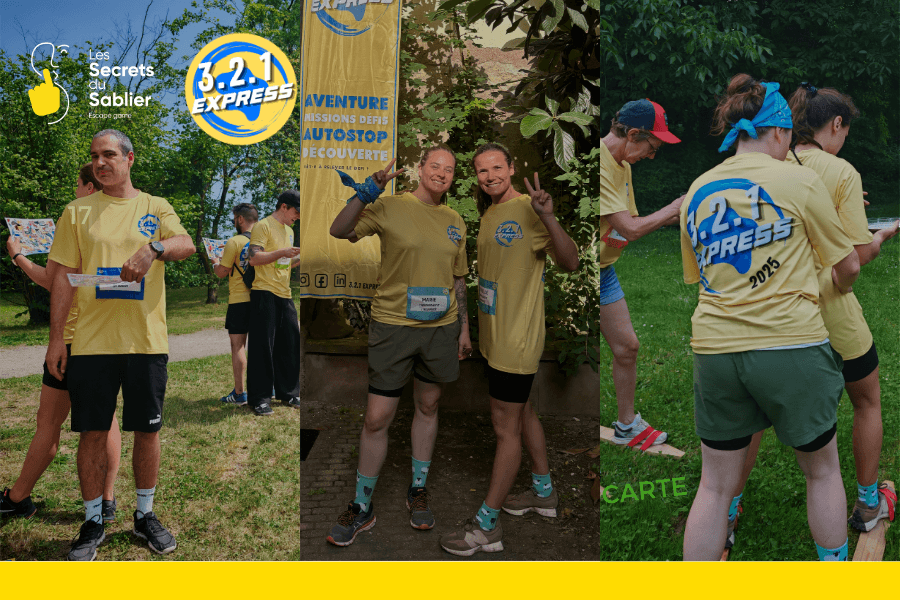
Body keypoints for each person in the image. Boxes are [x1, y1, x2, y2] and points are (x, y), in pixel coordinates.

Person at [680, 75, 860, 561]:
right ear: (780, 132)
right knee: (821, 471)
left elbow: (703, 277)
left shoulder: (698, 189)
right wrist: (839, 287)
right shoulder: (799, 180)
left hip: (715, 352)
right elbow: (848, 265)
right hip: (792, 347)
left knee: (714, 487)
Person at [720, 84, 899, 552]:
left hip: (770, 313)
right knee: (867, 401)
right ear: (835, 125)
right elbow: (854, 260)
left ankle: (730, 506)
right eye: (846, 130)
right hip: (832, 313)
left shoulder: (769, 166)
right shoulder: (839, 170)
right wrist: (882, 237)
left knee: (752, 419)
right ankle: (866, 504)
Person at [46, 129, 196, 561]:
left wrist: (154, 248)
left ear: (130, 158)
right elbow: (61, 278)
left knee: (147, 431)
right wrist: (57, 338)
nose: (100, 162)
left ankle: (145, 515)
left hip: (145, 341)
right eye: (94, 156)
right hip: (92, 344)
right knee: (92, 432)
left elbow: (185, 244)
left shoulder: (155, 207)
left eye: (109, 154)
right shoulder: (77, 212)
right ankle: (93, 520)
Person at [326, 147, 471, 546]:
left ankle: (418, 489)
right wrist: (367, 191)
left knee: (428, 406)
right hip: (393, 327)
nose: (442, 173)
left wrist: (464, 329)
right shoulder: (389, 207)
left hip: (441, 329)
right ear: (421, 169)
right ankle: (361, 505)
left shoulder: (455, 220)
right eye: (435, 166)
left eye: (450, 169)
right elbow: (338, 231)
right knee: (377, 417)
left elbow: (458, 279)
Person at [439, 143, 578, 556]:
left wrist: (549, 216)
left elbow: (569, 261)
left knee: (505, 428)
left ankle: (486, 527)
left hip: (517, 339)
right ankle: (543, 493)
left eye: (497, 167)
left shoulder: (530, 209)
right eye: (482, 170)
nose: (489, 176)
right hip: (496, 339)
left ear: (512, 167)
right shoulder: (490, 213)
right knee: (523, 412)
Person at [1, 164, 122, 521]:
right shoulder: (119, 221)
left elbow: (55, 281)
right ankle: (108, 499)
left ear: (88, 186)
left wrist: (18, 256)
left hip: (72, 339)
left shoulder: (77, 219)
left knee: (48, 422)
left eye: (77, 185)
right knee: (106, 420)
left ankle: (16, 497)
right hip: (107, 336)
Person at [592, 99, 686, 448]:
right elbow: (631, 229)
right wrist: (674, 206)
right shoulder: (598, 164)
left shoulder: (623, 166)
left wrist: (691, 210)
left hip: (604, 271)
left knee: (627, 347)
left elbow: (628, 226)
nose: (652, 155)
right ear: (633, 134)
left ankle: (627, 424)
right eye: (651, 147)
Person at [245, 191, 302, 416]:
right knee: (262, 348)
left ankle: (289, 393)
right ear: (284, 207)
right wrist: (282, 252)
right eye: (296, 211)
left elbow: (285, 263)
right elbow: (254, 258)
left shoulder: (289, 230)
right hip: (263, 292)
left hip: (284, 293)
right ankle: (259, 398)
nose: (297, 216)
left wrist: (300, 257)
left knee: (289, 343)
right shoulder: (263, 226)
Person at [211, 203, 260, 406]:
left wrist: (215, 261)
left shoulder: (234, 241)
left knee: (238, 346)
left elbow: (222, 272)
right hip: (260, 298)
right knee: (261, 346)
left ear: (240, 219)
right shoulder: (263, 241)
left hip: (239, 300)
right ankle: (266, 389)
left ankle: (240, 393)